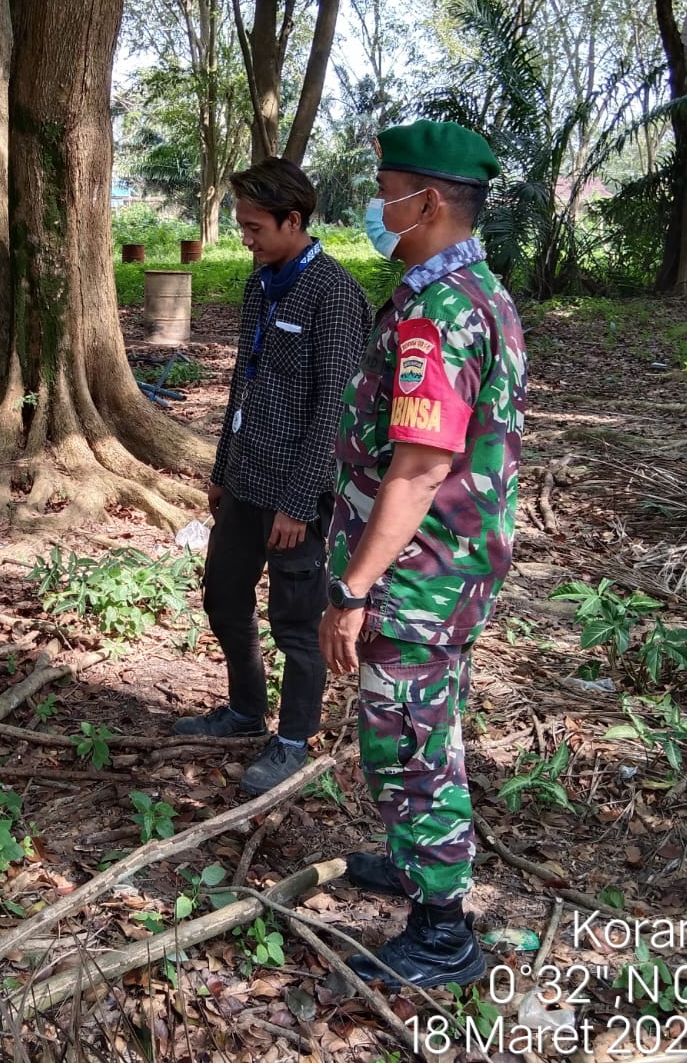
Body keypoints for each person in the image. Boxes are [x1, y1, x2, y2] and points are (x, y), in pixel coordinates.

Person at [320, 120, 527, 988]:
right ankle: (416, 862)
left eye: (386, 188)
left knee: (408, 740)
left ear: (429, 201)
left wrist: (354, 587)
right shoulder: (469, 291)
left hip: (418, 576)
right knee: (422, 727)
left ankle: (442, 929)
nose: (378, 205)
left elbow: (419, 466)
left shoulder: (442, 314)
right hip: (449, 565)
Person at [173, 158, 370, 795]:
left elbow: (333, 407)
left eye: (256, 227)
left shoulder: (336, 295)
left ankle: (293, 742)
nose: (246, 239)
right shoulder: (262, 284)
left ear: (294, 221)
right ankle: (243, 711)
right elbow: (244, 380)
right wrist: (221, 470)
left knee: (295, 623)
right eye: (241, 225)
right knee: (223, 598)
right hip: (245, 479)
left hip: (298, 497)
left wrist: (297, 500)